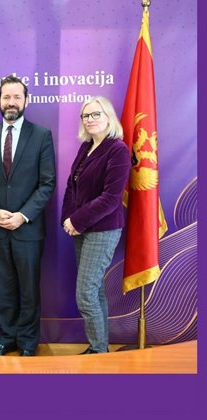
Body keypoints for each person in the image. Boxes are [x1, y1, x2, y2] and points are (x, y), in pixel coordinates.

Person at [0, 75, 56, 356]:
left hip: (27, 228)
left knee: (28, 290)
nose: (11, 102)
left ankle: (27, 342)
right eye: (6, 97)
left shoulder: (41, 135)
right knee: (4, 287)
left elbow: (47, 183)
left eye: (16, 97)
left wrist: (22, 215)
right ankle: (6, 338)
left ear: (27, 100)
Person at [61, 95, 130, 354]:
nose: (90, 119)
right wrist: (67, 220)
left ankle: (98, 351)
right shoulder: (86, 147)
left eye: (96, 114)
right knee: (96, 289)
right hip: (81, 228)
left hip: (103, 229)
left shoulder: (118, 149)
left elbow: (111, 199)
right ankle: (100, 347)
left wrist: (76, 221)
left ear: (108, 117)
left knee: (86, 293)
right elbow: (71, 186)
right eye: (86, 115)